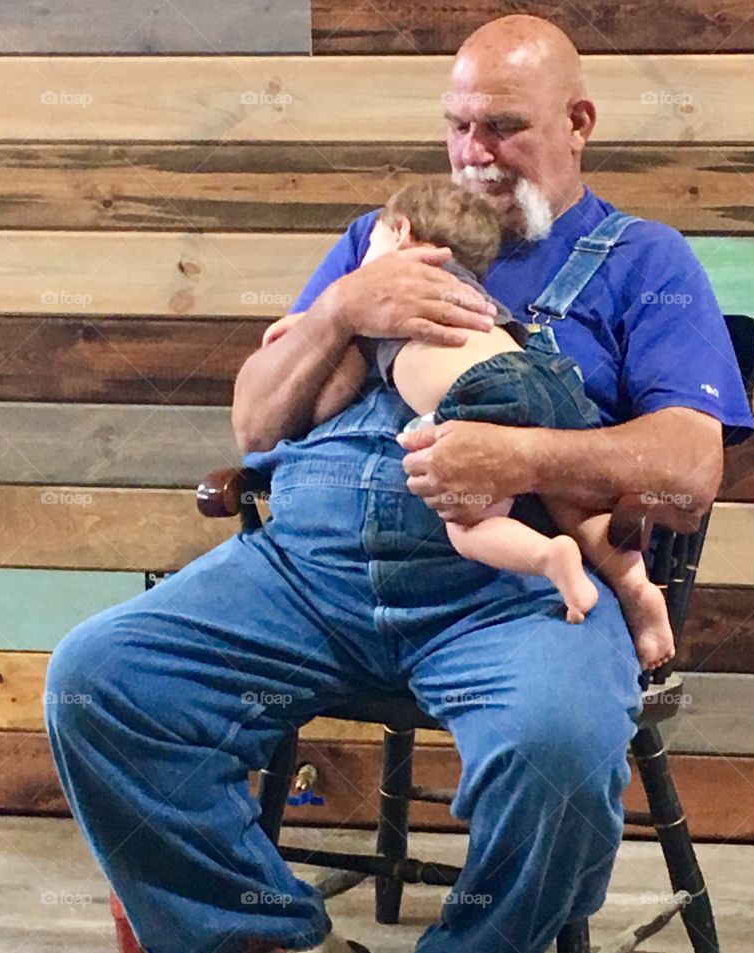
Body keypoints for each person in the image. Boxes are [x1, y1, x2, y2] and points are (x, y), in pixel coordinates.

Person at [43, 13, 754, 953]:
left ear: (578, 125)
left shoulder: (645, 263)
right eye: (459, 125)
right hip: (307, 574)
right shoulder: (378, 237)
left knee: (560, 748)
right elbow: (254, 418)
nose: (475, 150)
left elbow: (688, 462)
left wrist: (516, 453)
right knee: (98, 677)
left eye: (505, 127)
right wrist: (342, 306)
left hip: (506, 586)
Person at [264, 176, 677, 666]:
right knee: (574, 499)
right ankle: (635, 587)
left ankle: (547, 557)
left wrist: (305, 328)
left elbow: (327, 396)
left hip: (477, 395)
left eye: (371, 242)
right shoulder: (471, 290)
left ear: (400, 233)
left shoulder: (385, 301)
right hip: (544, 375)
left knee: (466, 523)